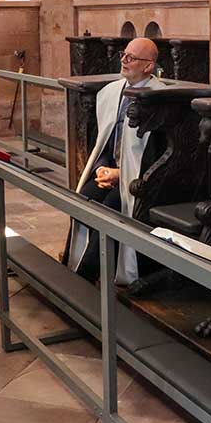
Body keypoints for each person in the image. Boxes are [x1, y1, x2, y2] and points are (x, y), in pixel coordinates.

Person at [65, 37, 166, 283]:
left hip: (140, 182)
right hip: (111, 172)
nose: (123, 60)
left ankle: (85, 277)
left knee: (108, 210)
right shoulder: (111, 92)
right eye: (123, 54)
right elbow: (104, 141)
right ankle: (79, 264)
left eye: (131, 57)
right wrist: (101, 169)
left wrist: (120, 175)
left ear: (148, 66)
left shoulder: (161, 100)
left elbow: (158, 155)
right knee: (83, 200)